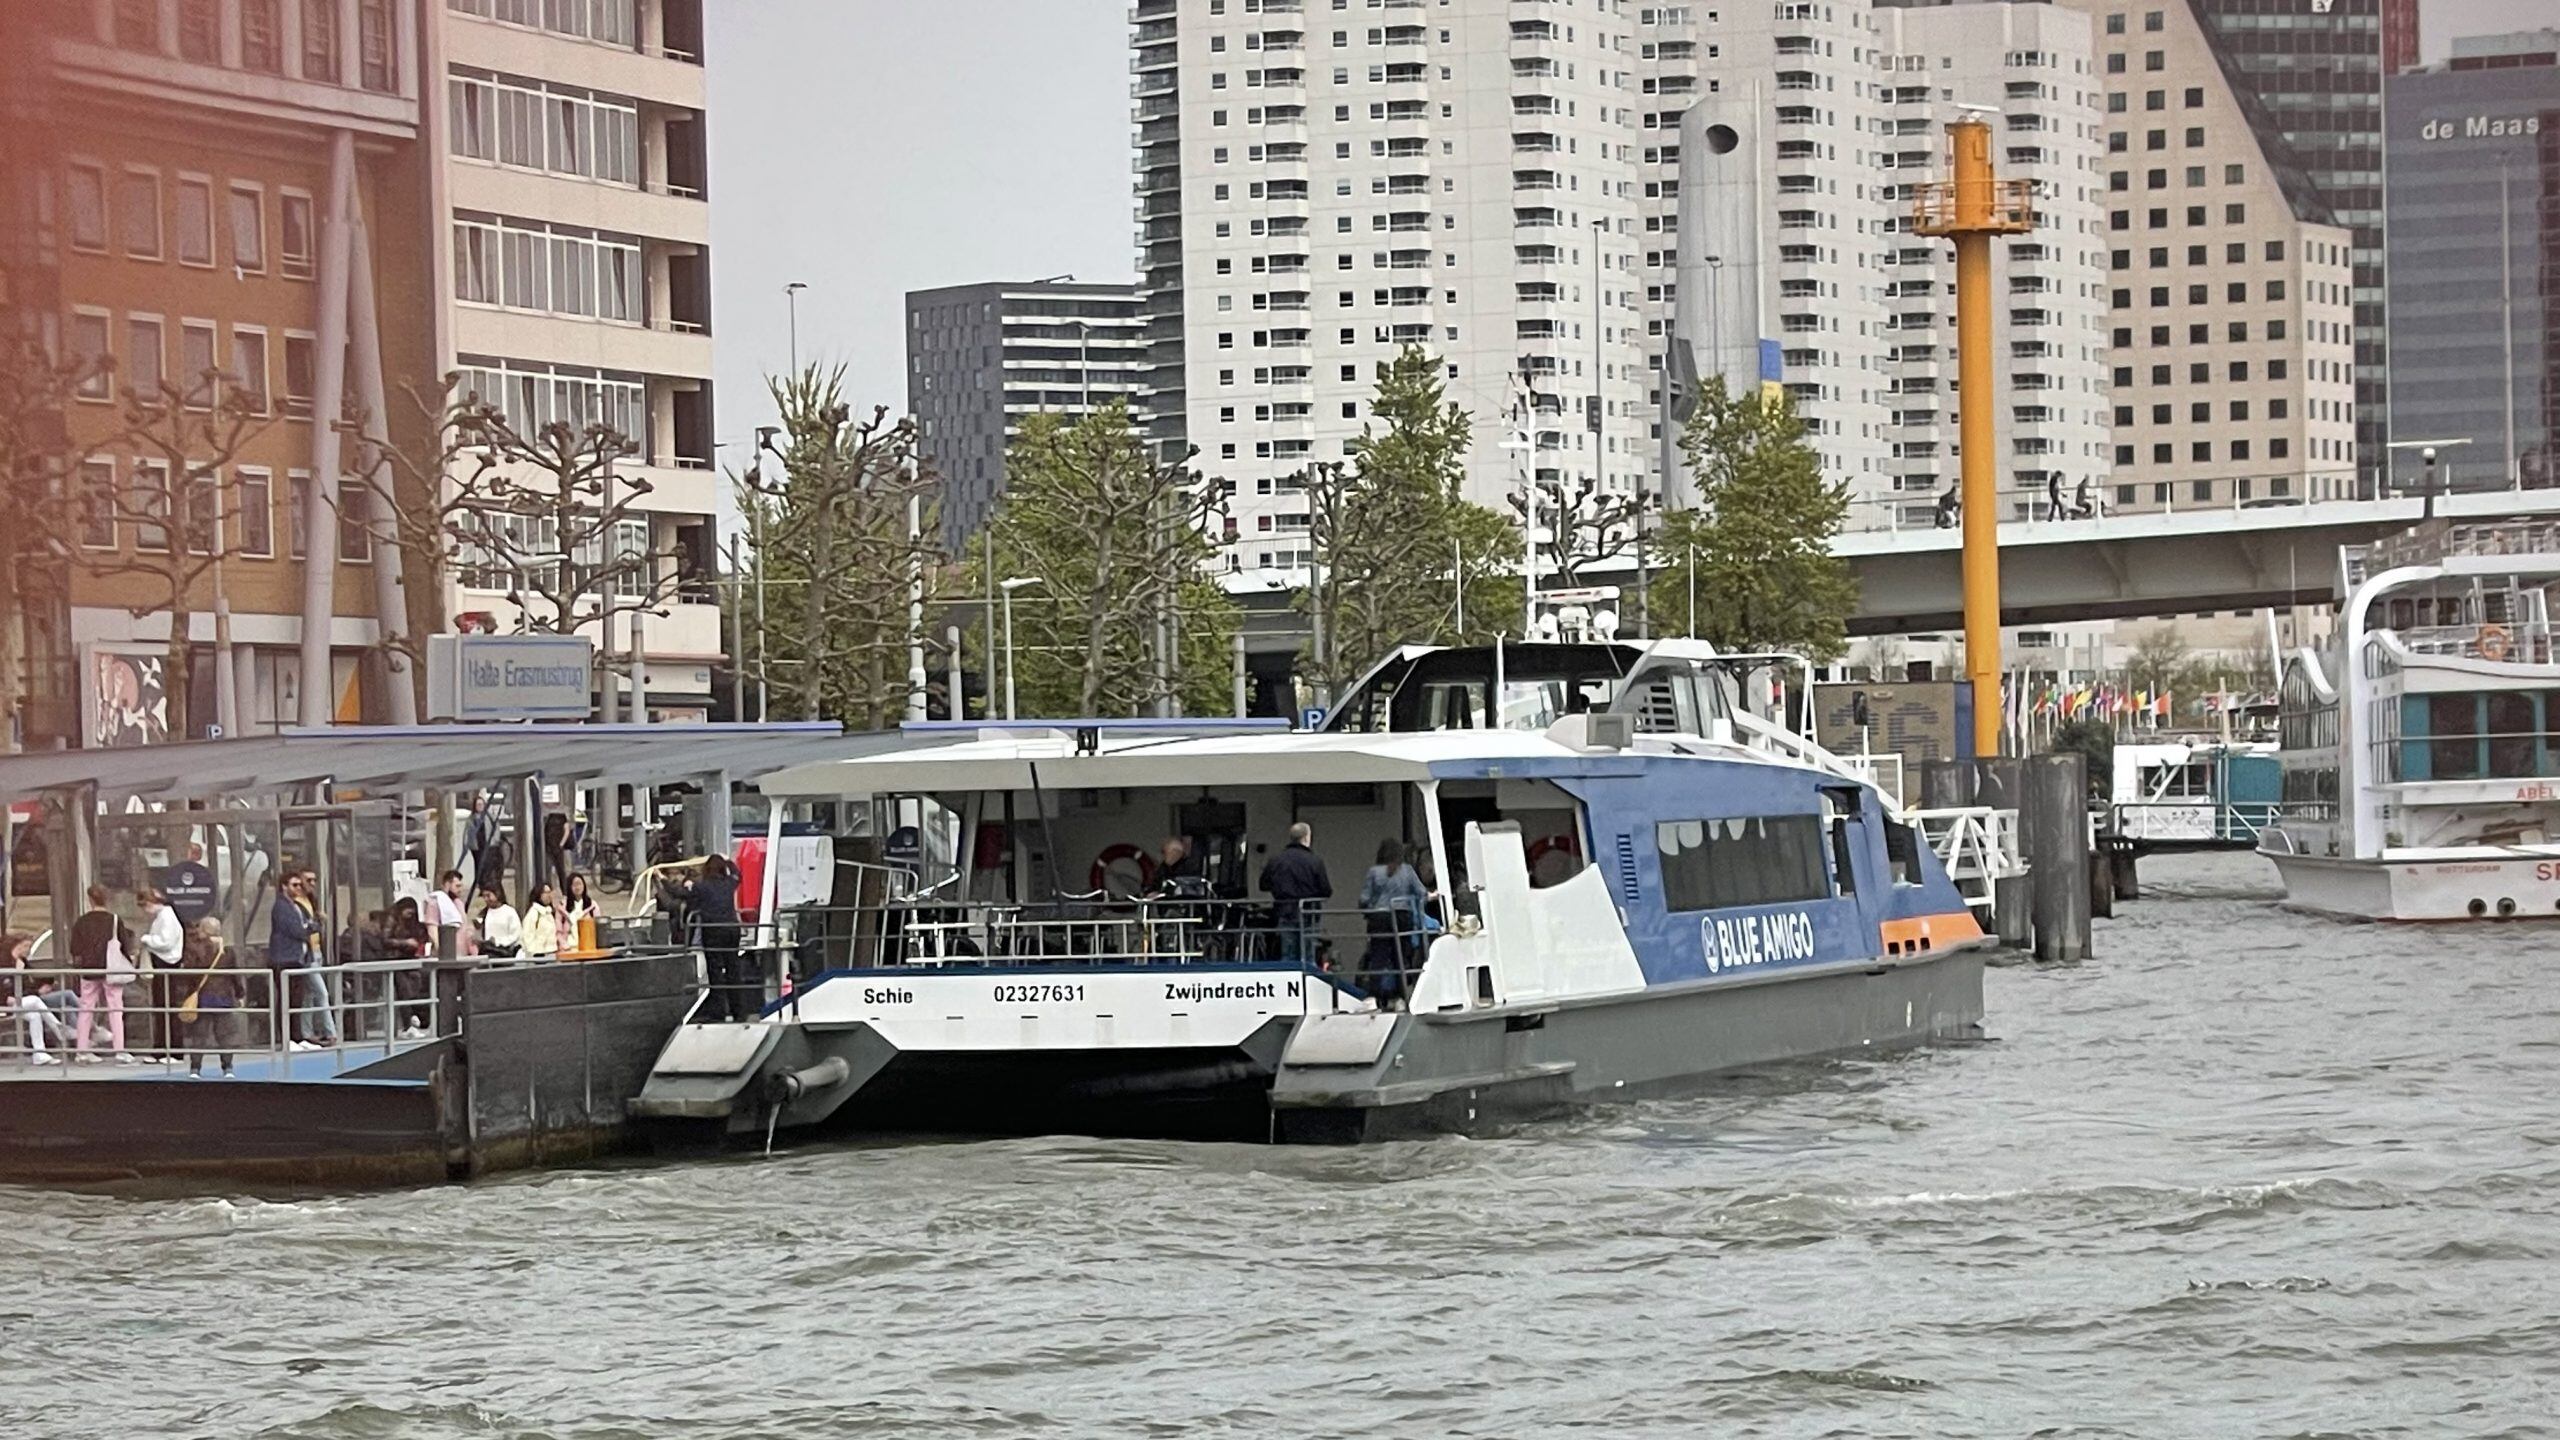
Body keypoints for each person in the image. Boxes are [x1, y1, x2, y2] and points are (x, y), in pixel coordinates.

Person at [666, 855, 746, 1022]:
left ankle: (719, 1012)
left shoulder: (701, 886)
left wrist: (662, 880)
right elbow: (738, 874)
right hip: (732, 930)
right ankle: (739, 1012)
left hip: (713, 931)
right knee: (733, 969)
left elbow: (677, 893)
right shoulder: (729, 884)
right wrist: (728, 860)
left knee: (715, 970)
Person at [1359, 837, 1429, 1008]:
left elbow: (1364, 898)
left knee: (1378, 957)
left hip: (1379, 918)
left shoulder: (1374, 872)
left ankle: (1372, 999)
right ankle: (1400, 998)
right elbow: (1421, 892)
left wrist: (1366, 909)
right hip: (1402, 917)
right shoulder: (1407, 871)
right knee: (1401, 959)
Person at [269, 872, 335, 1050]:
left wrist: (310, 926)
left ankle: (298, 1038)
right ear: (284, 886)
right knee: (287, 999)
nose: (299, 888)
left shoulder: (295, 905)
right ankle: (288, 1039)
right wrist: (314, 925)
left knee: (297, 999)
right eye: (294, 885)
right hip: (285, 958)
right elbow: (297, 930)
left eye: (299, 885)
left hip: (297, 957)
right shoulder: (281, 906)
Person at [69, 886, 134, 1064]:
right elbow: (125, 946)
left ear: (90, 900)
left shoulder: (82, 922)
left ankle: (81, 1051)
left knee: (86, 1009)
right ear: (107, 900)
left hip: (89, 970)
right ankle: (119, 1050)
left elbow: (74, 948)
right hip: (111, 969)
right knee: (115, 1009)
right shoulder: (114, 920)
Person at [1258, 822, 1332, 967]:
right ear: (1306, 838)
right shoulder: (1315, 861)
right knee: (1308, 955)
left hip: (1284, 909)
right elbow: (1326, 890)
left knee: (1288, 955)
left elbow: (1263, 885)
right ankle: (1307, 984)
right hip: (1309, 912)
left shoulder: (1276, 860)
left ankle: (1290, 985)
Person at [178, 918, 244, 1078]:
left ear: (203, 930)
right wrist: (240, 993)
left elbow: (190, 973)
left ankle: (195, 1069)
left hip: (202, 997)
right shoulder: (227, 951)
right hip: (224, 997)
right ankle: (227, 1068)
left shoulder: (197, 949)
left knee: (199, 1035)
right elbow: (234, 974)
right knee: (225, 1035)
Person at [136, 887, 186, 1064]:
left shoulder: (166, 917)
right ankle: (162, 1048)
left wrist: (147, 939)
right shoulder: (165, 916)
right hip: (164, 964)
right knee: (162, 1009)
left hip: (166, 964)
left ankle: (173, 1051)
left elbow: (166, 942)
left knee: (167, 1009)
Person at [426, 869, 472, 958]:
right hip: (446, 954)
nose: (460, 890)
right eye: (457, 886)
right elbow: (432, 929)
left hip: (462, 953)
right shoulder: (435, 902)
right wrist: (440, 949)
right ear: (447, 885)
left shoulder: (459, 903)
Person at [478, 884, 522, 959]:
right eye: (484, 896)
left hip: (505, 953)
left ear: (497, 894)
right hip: (488, 953)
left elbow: (516, 935)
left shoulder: (509, 912)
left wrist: (498, 942)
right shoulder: (484, 913)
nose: (486, 899)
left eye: (488, 896)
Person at [521, 882, 561, 960]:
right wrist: (534, 954)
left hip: (552, 952)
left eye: (550, 892)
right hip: (539, 955)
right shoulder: (534, 913)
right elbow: (527, 936)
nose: (549, 895)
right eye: (545, 893)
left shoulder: (549, 912)